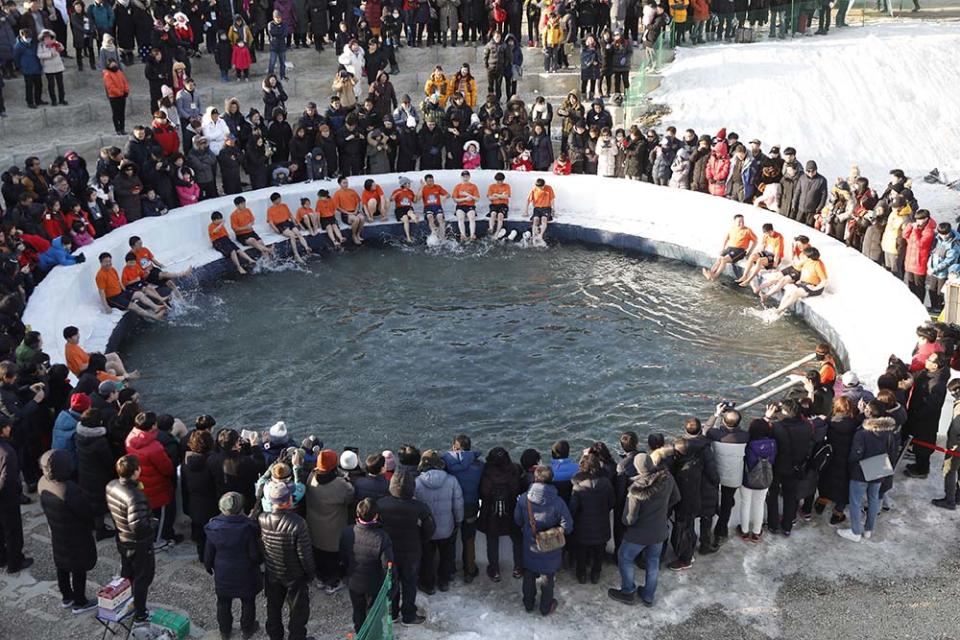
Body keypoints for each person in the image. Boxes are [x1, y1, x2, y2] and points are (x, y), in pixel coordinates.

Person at [608, 448, 679, 606]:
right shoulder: (667, 478)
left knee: (624, 557)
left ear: (638, 469)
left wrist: (628, 524)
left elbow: (629, 519)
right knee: (653, 562)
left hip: (638, 535)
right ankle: (648, 595)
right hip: (660, 530)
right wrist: (661, 511)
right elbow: (676, 497)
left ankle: (628, 591)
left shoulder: (636, 490)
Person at [38, 449, 97, 613]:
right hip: (76, 535)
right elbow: (85, 512)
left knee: (62, 565)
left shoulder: (43, 482)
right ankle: (80, 601)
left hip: (56, 532)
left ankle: (66, 597)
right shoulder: (69, 489)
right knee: (79, 568)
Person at [259, 481, 316, 640]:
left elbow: (263, 545)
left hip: (272, 572)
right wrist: (310, 574)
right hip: (295, 575)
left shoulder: (263, 519)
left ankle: (275, 636)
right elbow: (304, 554)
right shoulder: (298, 523)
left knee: (273, 607)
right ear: (288, 500)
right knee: (298, 612)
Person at [514, 465, 572, 616]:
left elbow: (518, 520)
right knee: (547, 578)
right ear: (551, 480)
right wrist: (556, 531)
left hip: (530, 544)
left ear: (535, 478)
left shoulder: (523, 499)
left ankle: (528, 604)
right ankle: (546, 607)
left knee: (529, 574)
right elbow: (568, 525)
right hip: (550, 546)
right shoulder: (558, 501)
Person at [204, 491, 262, 640]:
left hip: (223, 573)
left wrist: (208, 566)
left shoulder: (213, 526)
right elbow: (254, 555)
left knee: (223, 603)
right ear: (241, 508)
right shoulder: (249, 527)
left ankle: (225, 631)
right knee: (248, 602)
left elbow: (208, 553)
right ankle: (247, 629)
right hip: (246, 572)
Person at [377, 472, 434, 626]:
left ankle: (393, 613)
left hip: (390, 551)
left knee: (392, 582)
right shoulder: (420, 507)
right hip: (412, 551)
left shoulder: (381, 504)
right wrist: (421, 539)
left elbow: (376, 527)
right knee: (409, 583)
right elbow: (430, 528)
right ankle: (408, 616)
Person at [838, 402, 899, 542]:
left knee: (855, 501)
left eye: (866, 409)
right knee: (873, 500)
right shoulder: (888, 431)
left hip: (860, 472)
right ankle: (868, 530)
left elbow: (855, 454)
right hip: (879, 470)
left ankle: (855, 532)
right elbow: (892, 452)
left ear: (870, 413)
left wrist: (850, 465)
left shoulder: (863, 433)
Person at [106, 455, 155, 624]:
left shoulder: (111, 485)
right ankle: (140, 613)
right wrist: (153, 525)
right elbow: (139, 526)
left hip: (122, 538)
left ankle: (124, 603)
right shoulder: (135, 496)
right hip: (138, 544)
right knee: (143, 577)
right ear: (135, 472)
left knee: (127, 574)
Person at [340, 497, 395, 633]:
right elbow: (387, 566)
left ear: (357, 514)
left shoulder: (348, 532)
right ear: (376, 516)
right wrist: (391, 587)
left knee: (358, 612)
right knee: (374, 614)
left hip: (354, 582)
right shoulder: (382, 537)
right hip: (374, 584)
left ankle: (360, 633)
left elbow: (343, 557)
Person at [669, 418, 718, 569]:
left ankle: (686, 556)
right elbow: (713, 474)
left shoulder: (677, 448)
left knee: (686, 526)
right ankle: (705, 545)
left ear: (685, 430)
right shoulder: (705, 447)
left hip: (687, 493)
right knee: (706, 518)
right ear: (700, 430)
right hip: (705, 491)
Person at [305, 448, 355, 594]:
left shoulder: (311, 478)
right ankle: (332, 584)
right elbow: (350, 496)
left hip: (314, 527)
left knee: (319, 555)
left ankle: (320, 579)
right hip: (333, 531)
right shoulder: (341, 485)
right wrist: (344, 478)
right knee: (332, 560)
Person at [126, 411, 178, 547]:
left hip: (142, 484)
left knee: (150, 514)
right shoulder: (154, 447)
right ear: (153, 426)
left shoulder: (130, 438)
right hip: (158, 487)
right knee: (163, 516)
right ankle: (159, 541)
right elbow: (167, 469)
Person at [415, 450, 463, 594]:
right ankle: (443, 582)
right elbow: (458, 505)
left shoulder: (417, 482)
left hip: (426, 529)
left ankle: (428, 585)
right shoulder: (451, 480)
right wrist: (458, 521)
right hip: (446, 527)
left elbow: (415, 507)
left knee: (427, 558)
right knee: (446, 556)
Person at [766, 399, 814, 537]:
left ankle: (773, 525)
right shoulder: (807, 426)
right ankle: (787, 526)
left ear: (786, 412)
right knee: (791, 496)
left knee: (773, 495)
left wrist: (768, 418)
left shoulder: (777, 427)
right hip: (796, 466)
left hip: (778, 466)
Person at [442, 434, 484, 583]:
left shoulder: (446, 464)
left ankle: (451, 570)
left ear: (454, 447)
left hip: (451, 505)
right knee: (469, 538)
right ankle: (469, 571)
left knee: (451, 537)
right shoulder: (479, 465)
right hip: (471, 505)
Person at [477, 446, 522, 582]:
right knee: (517, 538)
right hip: (511, 511)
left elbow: (483, 493)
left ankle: (494, 570)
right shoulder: (515, 469)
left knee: (492, 539)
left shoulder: (485, 471)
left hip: (491, 514)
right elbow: (517, 490)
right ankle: (518, 568)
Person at [705, 406, 749, 546]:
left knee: (713, 499)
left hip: (715, 473)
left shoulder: (715, 434)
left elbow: (705, 429)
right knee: (726, 504)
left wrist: (716, 413)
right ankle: (720, 532)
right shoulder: (745, 436)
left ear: (723, 422)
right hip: (734, 477)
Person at [569, 452, 614, 584]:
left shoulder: (578, 487)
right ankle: (596, 574)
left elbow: (573, 509)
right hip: (602, 526)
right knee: (599, 552)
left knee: (581, 552)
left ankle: (581, 574)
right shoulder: (606, 483)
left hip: (583, 528)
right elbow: (612, 503)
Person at [904, 351, 950, 479]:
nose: (927, 361)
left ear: (936, 366)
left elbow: (932, 405)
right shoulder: (927, 373)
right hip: (917, 416)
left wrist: (918, 413)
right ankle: (919, 465)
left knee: (923, 445)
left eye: (930, 360)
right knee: (919, 445)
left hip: (925, 421)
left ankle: (922, 469)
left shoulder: (938, 383)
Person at [0, 415, 32, 573]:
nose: (9, 429)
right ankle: (15, 562)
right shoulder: (7, 452)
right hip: (7, 499)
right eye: (7, 427)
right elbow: (8, 480)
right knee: (13, 531)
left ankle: (2, 557)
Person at [181, 429, 219, 562]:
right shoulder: (212, 464)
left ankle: (202, 557)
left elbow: (184, 488)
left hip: (193, 505)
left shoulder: (185, 464)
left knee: (199, 536)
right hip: (211, 505)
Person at [95, 252, 167, 321]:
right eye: (105, 262)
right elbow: (101, 292)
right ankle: (154, 317)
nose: (108, 263)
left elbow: (118, 282)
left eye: (109, 261)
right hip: (113, 298)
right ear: (101, 262)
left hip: (121, 293)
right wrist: (106, 306)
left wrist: (126, 292)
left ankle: (156, 307)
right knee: (134, 306)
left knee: (140, 294)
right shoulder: (100, 275)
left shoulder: (112, 269)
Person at [738, 419, 777, 542]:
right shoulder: (773, 443)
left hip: (748, 479)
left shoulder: (748, 444)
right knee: (759, 505)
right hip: (765, 478)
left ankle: (744, 532)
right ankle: (756, 533)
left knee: (745, 504)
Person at [63, 325, 134, 380]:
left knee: (113, 355)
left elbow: (82, 355)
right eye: (75, 335)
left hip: (90, 362)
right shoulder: (71, 351)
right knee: (112, 364)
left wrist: (91, 354)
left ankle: (125, 374)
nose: (78, 336)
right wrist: (95, 362)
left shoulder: (72, 345)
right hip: (86, 371)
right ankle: (127, 376)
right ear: (69, 338)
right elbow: (81, 367)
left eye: (77, 334)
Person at [932, 378, 960, 510]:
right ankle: (958, 496)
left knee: (949, 470)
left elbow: (956, 428)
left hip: (956, 446)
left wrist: (953, 445)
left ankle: (950, 500)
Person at [703, 214, 757, 281]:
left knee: (724, 260)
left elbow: (755, 241)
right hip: (730, 248)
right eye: (739, 221)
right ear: (734, 222)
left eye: (743, 221)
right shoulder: (732, 229)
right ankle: (710, 273)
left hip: (740, 250)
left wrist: (749, 252)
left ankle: (715, 276)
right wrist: (723, 249)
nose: (741, 223)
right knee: (719, 259)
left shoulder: (747, 230)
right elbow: (725, 239)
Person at [266, 192, 312, 264]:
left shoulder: (284, 205)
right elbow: (271, 222)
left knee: (298, 233)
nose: (280, 200)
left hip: (288, 222)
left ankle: (306, 247)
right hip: (280, 225)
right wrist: (276, 230)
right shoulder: (270, 210)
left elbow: (290, 215)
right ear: (275, 200)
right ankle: (296, 254)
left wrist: (295, 223)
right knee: (292, 235)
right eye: (279, 199)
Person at [736, 223, 784, 287]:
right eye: (766, 233)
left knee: (760, 260)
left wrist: (774, 267)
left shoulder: (779, 237)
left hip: (775, 257)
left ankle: (748, 281)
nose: (768, 235)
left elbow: (777, 255)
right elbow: (763, 248)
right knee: (752, 256)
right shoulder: (766, 235)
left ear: (772, 230)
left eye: (769, 233)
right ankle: (744, 276)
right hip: (767, 253)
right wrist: (757, 254)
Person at [332, 176, 364, 245]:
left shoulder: (352, 191)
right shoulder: (337, 194)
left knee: (362, 218)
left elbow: (358, 202)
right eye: (344, 183)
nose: (346, 184)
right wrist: (348, 212)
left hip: (354, 211)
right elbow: (337, 207)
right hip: (346, 213)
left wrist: (356, 211)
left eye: (347, 182)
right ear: (340, 184)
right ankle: (354, 235)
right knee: (356, 220)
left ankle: (358, 234)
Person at [452, 171, 481, 244]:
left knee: (472, 217)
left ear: (469, 177)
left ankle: (472, 235)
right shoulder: (458, 186)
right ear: (461, 177)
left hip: (470, 205)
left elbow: (477, 199)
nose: (465, 178)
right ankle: (463, 235)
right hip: (460, 205)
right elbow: (455, 199)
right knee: (460, 218)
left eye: (467, 176)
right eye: (464, 176)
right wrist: (464, 199)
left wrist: (468, 194)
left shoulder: (473, 186)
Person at [419, 174, 450, 242]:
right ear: (426, 181)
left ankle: (443, 236)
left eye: (432, 181)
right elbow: (417, 199)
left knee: (440, 218)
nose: (431, 182)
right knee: (430, 217)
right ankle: (434, 233)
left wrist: (445, 197)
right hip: (428, 207)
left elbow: (448, 195)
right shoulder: (423, 188)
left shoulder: (437, 187)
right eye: (429, 181)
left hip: (437, 206)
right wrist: (421, 187)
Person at [390, 177, 419, 244]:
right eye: (409, 183)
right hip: (399, 209)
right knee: (405, 218)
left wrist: (417, 194)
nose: (410, 185)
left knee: (410, 212)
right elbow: (391, 199)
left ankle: (415, 219)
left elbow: (414, 201)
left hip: (408, 207)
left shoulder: (410, 192)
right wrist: (396, 194)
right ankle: (408, 237)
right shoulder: (397, 191)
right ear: (404, 184)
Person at [525, 177, 555, 242]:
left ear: (544, 185)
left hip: (546, 208)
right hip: (537, 208)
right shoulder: (534, 190)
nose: (540, 188)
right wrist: (526, 211)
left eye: (542, 187)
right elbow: (528, 200)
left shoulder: (549, 188)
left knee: (544, 219)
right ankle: (533, 236)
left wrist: (553, 209)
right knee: (535, 220)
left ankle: (540, 235)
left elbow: (552, 199)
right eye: (539, 187)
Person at [487, 171, 511, 238]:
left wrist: (496, 195)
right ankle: (491, 228)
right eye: (498, 181)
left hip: (503, 204)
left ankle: (497, 232)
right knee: (493, 214)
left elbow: (507, 196)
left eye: (501, 181)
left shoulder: (506, 186)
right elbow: (490, 198)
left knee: (500, 215)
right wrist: (501, 195)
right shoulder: (491, 186)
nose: (499, 182)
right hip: (494, 204)